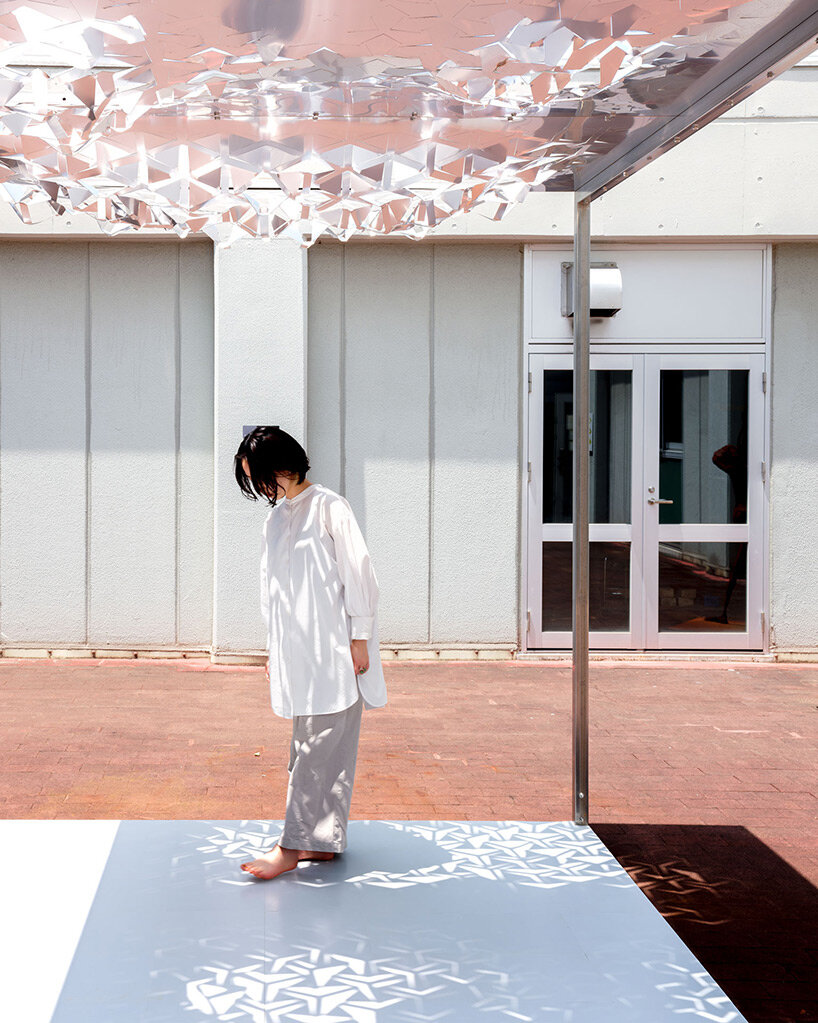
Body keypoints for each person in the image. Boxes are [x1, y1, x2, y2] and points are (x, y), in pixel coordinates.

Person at [232, 426, 387, 880]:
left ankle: (290, 845)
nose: (262, 490)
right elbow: (272, 592)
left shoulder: (329, 507)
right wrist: (271, 649)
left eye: (261, 478)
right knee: (322, 750)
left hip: (334, 651)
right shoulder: (276, 519)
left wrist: (360, 637)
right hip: (297, 654)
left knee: (313, 752)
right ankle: (322, 842)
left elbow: (360, 574)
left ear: (283, 465)